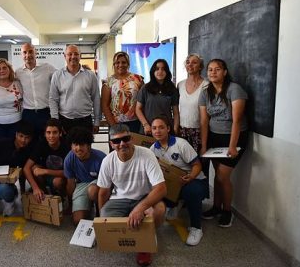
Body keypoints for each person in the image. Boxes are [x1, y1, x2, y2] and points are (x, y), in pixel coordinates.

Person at [97, 124, 166, 266]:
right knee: (105, 215)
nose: (122, 144)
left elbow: (161, 188)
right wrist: (102, 221)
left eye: (125, 139)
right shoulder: (107, 161)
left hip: (144, 197)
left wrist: (140, 208)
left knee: (158, 211)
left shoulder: (147, 154)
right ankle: (137, 228)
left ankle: (146, 243)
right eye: (116, 141)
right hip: (119, 199)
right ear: (111, 144)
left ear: (132, 138)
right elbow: (103, 192)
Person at [199, 59, 248, 228]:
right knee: (217, 176)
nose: (213, 72)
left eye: (217, 69)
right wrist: (204, 145)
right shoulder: (205, 92)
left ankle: (227, 211)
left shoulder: (235, 90)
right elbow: (204, 121)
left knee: (222, 176)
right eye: (210, 70)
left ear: (225, 72)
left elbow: (237, 120)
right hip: (214, 136)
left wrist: (233, 146)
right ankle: (216, 207)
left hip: (234, 137)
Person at [150, 115, 208, 246]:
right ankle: (174, 204)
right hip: (174, 182)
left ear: (168, 129)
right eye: (154, 128)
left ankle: (196, 228)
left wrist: (191, 177)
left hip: (195, 179)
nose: (157, 131)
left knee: (191, 191)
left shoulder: (180, 144)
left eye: (161, 127)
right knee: (154, 188)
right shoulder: (153, 149)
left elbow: (197, 165)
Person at [49, 44, 101, 134]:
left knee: (85, 147)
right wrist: (56, 122)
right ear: (64, 56)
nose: (73, 57)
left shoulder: (90, 75)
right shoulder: (57, 75)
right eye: (70, 54)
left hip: (85, 121)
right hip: (64, 121)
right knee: (66, 148)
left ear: (80, 56)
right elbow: (53, 99)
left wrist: (97, 121)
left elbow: (96, 98)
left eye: (76, 54)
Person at [64, 127, 105, 225]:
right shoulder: (69, 159)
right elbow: (70, 185)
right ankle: (87, 205)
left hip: (99, 184)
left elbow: (107, 185)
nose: (78, 148)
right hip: (81, 184)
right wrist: (71, 205)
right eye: (75, 144)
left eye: (81, 144)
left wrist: (102, 215)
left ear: (89, 146)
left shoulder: (101, 158)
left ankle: (98, 211)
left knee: (92, 191)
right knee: (78, 221)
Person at [15, 43, 56, 140]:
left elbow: (60, 80)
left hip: (45, 113)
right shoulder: (18, 72)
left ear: (35, 53)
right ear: (21, 55)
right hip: (28, 114)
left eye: (30, 52)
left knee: (47, 142)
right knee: (29, 143)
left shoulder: (47, 68)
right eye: (24, 52)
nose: (27, 55)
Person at [23, 119, 70, 203]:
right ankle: (44, 193)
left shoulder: (66, 146)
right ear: (44, 134)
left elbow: (69, 172)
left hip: (60, 177)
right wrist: (35, 188)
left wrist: (46, 171)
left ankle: (62, 196)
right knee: (34, 168)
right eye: (48, 132)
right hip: (45, 177)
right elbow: (26, 168)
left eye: (55, 132)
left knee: (58, 182)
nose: (51, 136)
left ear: (60, 133)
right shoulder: (41, 144)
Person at [101, 51, 144, 133]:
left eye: (123, 62)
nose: (120, 65)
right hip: (116, 123)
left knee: (135, 145)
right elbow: (104, 106)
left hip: (135, 122)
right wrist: (114, 126)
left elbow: (143, 101)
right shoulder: (108, 82)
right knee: (117, 145)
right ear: (114, 64)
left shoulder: (138, 79)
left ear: (128, 64)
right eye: (117, 62)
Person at [135, 59, 180, 136]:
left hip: (166, 130)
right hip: (148, 129)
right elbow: (138, 109)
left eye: (163, 69)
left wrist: (175, 128)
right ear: (153, 71)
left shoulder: (172, 88)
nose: (160, 71)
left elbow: (176, 112)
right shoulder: (145, 88)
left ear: (167, 72)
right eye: (157, 69)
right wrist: (145, 125)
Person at [177, 54, 209, 153]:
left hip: (199, 132)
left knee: (200, 164)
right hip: (182, 131)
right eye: (188, 62)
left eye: (194, 62)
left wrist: (204, 144)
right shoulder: (180, 84)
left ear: (200, 66)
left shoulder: (207, 85)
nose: (190, 65)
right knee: (183, 165)